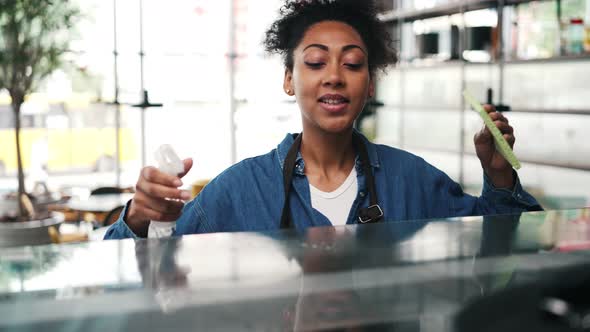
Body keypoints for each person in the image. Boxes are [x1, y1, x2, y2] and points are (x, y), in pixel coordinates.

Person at [105, 0, 541, 240]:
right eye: (316, 63)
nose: (334, 76)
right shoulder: (238, 190)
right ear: (289, 81)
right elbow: (150, 272)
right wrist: (142, 219)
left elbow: (504, 247)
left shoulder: (412, 179)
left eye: (353, 65)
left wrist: (499, 176)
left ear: (370, 86)